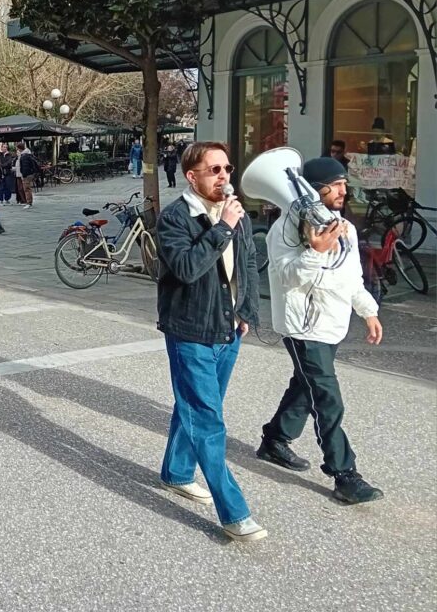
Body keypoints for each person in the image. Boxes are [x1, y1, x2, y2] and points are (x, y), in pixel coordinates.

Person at [258, 156, 384, 504]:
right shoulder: (283, 228)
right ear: (317, 189)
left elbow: (350, 275)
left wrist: (368, 312)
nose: (345, 190)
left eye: (345, 183)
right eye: (337, 184)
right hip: (302, 327)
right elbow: (285, 277)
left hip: (332, 324)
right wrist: (315, 251)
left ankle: (274, 439)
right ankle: (344, 474)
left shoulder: (344, 225)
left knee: (307, 385)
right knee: (327, 397)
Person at [156, 141, 264, 542]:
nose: (224, 177)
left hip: (228, 328)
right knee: (207, 418)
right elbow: (185, 269)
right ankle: (234, 512)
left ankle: (177, 472)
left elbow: (249, 263)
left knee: (197, 405)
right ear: (193, 176)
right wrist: (222, 228)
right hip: (189, 331)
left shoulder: (237, 214)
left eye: (227, 168)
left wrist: (247, 310)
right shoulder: (175, 218)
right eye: (214, 170)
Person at [15, 142, 38, 209]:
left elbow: (25, 167)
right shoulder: (28, 154)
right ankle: (29, 202)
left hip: (27, 174)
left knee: (26, 188)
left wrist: (23, 175)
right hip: (30, 173)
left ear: (19, 148)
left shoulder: (24, 156)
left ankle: (28, 202)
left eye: (17, 148)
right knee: (27, 188)